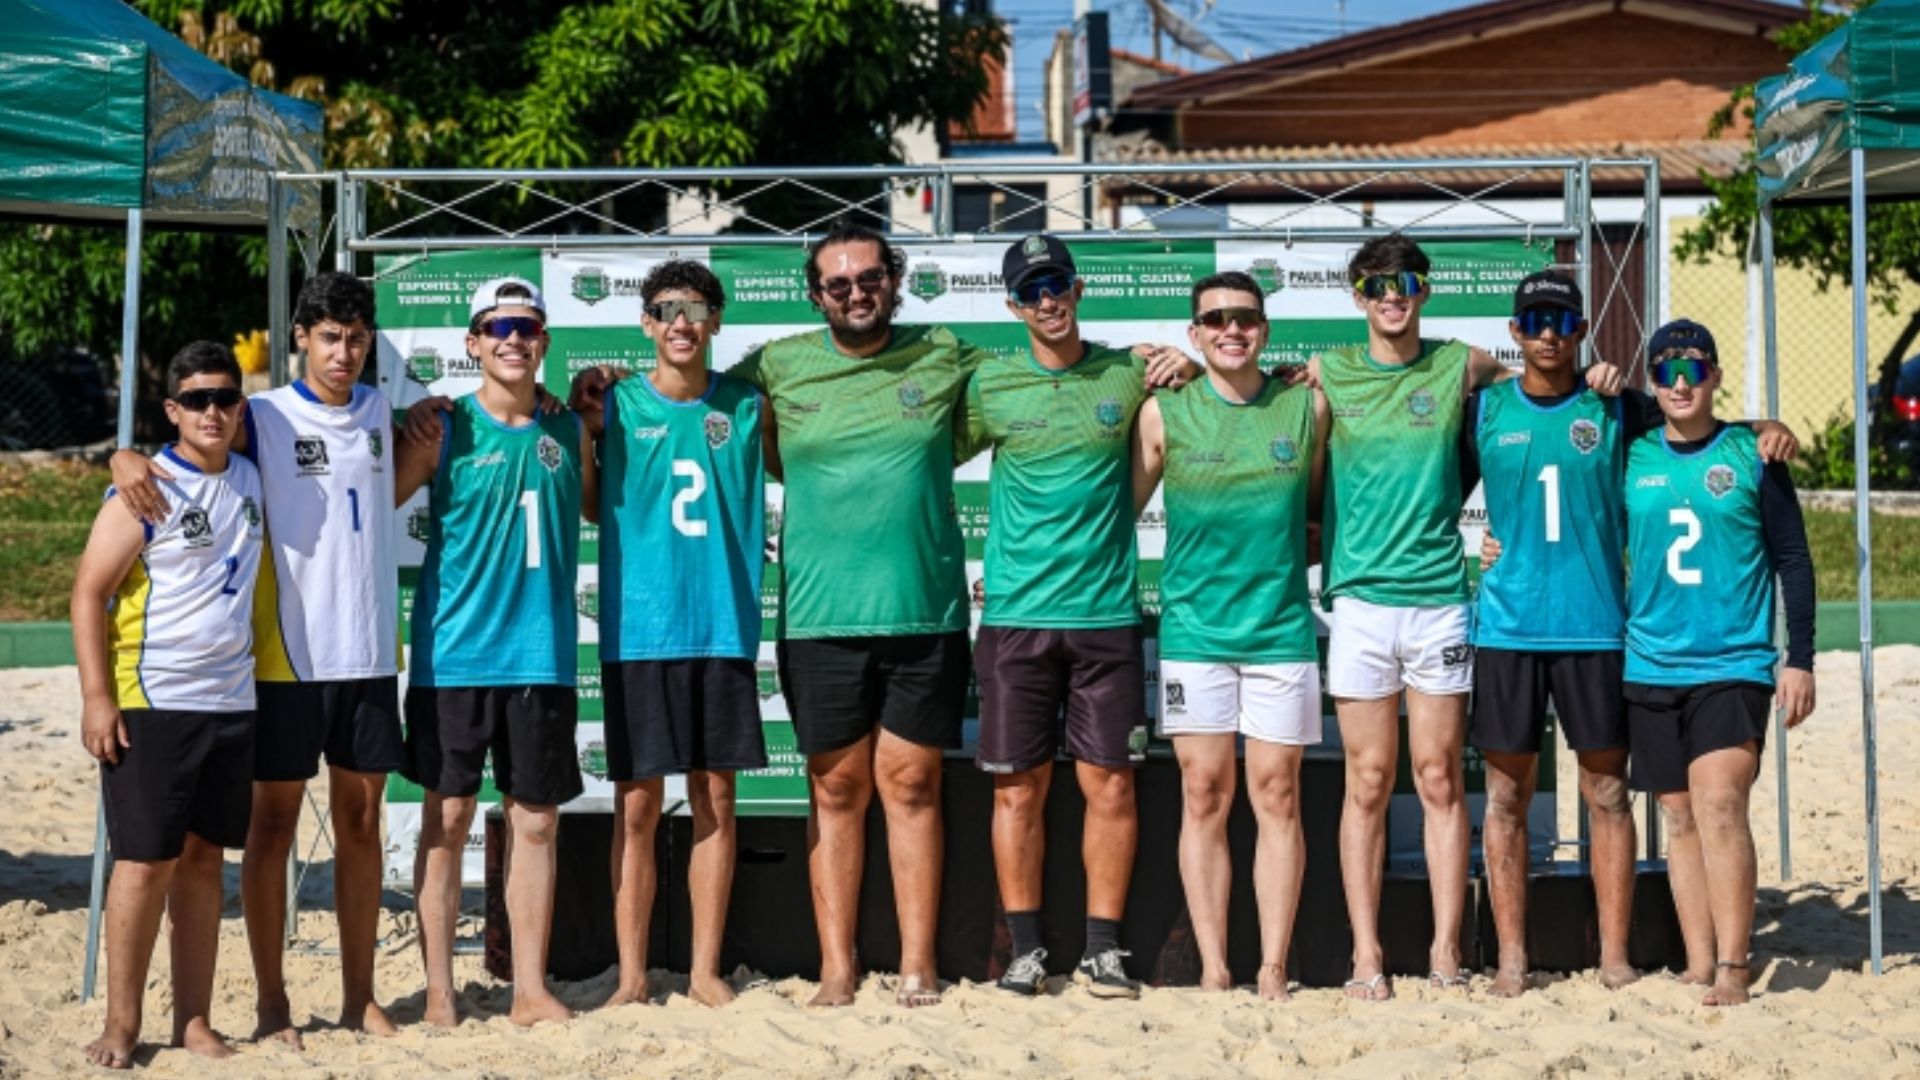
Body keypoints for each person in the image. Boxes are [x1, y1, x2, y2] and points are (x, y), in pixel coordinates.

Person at [1310, 234, 1622, 1000]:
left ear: (1425, 291)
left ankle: (1450, 953)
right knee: (1369, 780)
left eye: (1407, 281)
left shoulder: (1464, 367)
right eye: (1378, 283)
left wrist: (1600, 373)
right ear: (1356, 294)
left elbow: (1542, 391)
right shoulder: (1325, 375)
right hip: (1358, 602)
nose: (1393, 294)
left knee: (1442, 777)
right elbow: (1291, 464)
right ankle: (1366, 957)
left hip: (1441, 601)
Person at [1472, 277, 1801, 997]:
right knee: (1505, 798)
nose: (1549, 331)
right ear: (1516, 327)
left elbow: (1703, 429)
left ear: (1583, 326)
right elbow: (1427, 497)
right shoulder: (1486, 408)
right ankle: (1510, 958)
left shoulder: (1620, 407)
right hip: (1508, 626)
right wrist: (1477, 550)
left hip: (1599, 629)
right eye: (1535, 319)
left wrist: (1769, 427)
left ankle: (1617, 956)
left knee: (1610, 793)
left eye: (1561, 319)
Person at [108, 272, 404, 1042]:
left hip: (367, 652)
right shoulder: (261, 415)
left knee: (363, 822)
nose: (345, 351)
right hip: (284, 658)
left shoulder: (380, 410)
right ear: (301, 338)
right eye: (330, 336)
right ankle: (272, 1005)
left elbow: (382, 492)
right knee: (269, 830)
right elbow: (188, 444)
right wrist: (123, 455)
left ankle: (359, 997)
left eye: (357, 337)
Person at [958, 234, 1201, 1000]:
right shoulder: (990, 385)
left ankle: (1102, 950)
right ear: (1012, 305)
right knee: (1016, 791)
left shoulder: (1127, 372)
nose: (1047, 300)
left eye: (1056, 283)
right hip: (1017, 620)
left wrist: (1186, 363)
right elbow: (913, 449)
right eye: (1031, 291)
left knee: (1114, 787)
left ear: (1079, 286)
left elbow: (1208, 394)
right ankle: (1026, 948)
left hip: (1105, 618)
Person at [394, 277, 590, 1027]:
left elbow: (609, 504)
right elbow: (371, 497)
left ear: (544, 343)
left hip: (540, 657)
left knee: (535, 822)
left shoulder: (569, 431)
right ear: (472, 343)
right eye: (497, 327)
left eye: (527, 327)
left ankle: (529, 989)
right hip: (454, 656)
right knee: (446, 817)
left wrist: (596, 401)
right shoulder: (441, 430)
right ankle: (441, 990)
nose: (513, 338)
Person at [574, 260, 771, 1008]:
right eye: (666, 309)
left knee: (715, 798)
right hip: (640, 632)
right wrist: (589, 422)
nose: (681, 321)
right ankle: (630, 975)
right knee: (637, 806)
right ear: (647, 324)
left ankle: (703, 972)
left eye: (695, 307)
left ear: (716, 320)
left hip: (721, 629)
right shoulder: (614, 405)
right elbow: (593, 508)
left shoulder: (751, 407)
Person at [1130, 271, 1325, 999]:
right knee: (1204, 793)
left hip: (1279, 632)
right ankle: (1214, 967)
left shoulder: (1306, 408)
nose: (1231, 330)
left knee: (1277, 795)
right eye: (1215, 321)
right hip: (1195, 633)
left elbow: (1333, 510)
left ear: (1266, 329)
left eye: (1245, 317)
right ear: (1195, 335)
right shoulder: (1163, 412)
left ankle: (1273, 967)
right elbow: (1109, 513)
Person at [73, 342, 264, 1067]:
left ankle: (193, 1019)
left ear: (239, 408)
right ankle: (122, 1025)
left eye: (224, 398)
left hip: (231, 699)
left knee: (206, 861)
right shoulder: (146, 488)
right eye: (198, 399)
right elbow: (88, 591)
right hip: (152, 698)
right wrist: (96, 698)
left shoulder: (251, 475)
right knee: (144, 862)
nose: (212, 411)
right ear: (173, 410)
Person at [1619, 320, 1814, 1006]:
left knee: (1721, 803)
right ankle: (1699, 959)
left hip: (1732, 661)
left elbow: (1792, 557)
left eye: (1693, 368)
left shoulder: (1753, 453)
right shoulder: (1633, 455)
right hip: (1650, 663)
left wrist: (1801, 658)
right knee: (1677, 816)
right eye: (1666, 368)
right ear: (1651, 381)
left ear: (1715, 376)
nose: (1679, 381)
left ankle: (1735, 963)